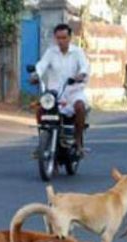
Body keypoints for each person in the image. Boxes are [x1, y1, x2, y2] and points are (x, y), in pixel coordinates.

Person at [32, 23, 90, 155]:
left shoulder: (78, 52)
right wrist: (36, 75)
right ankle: (43, 142)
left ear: (70, 37)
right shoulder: (51, 52)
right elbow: (41, 66)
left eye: (64, 38)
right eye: (58, 38)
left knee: (80, 106)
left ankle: (77, 141)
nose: (61, 41)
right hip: (55, 94)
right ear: (55, 38)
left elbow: (84, 68)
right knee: (40, 110)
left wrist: (80, 75)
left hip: (73, 92)